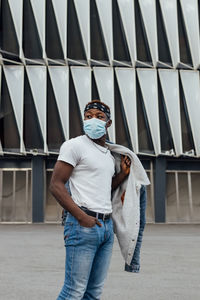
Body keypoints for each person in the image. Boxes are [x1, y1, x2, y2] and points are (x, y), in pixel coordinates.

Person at [50, 100, 133, 300]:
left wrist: (122, 175)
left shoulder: (108, 154)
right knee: (74, 291)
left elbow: (104, 188)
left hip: (105, 227)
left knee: (93, 292)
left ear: (108, 123)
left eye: (99, 116)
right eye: (88, 117)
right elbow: (56, 185)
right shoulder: (74, 145)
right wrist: (81, 217)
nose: (93, 120)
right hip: (82, 226)